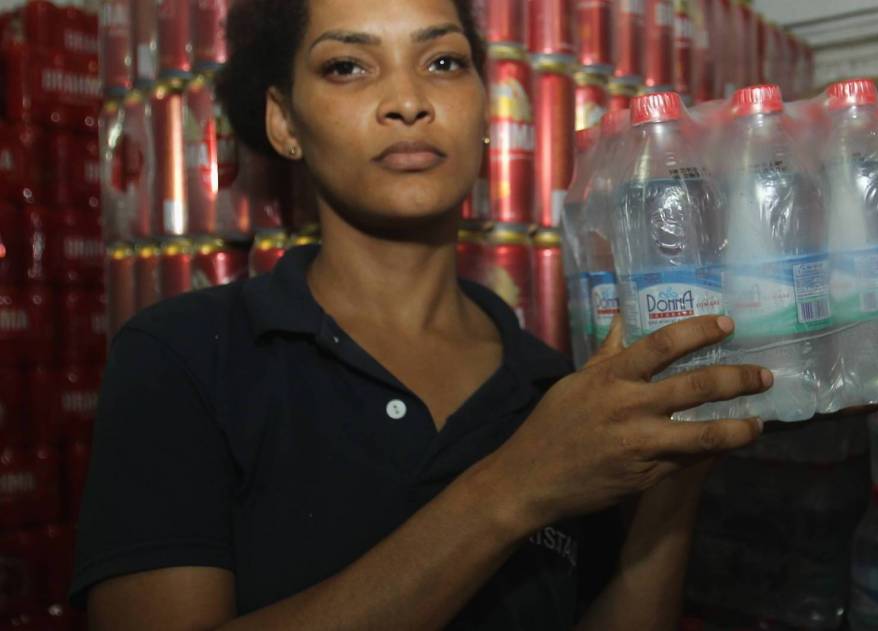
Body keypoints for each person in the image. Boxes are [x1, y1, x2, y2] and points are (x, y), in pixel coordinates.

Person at [70, 0, 775, 628]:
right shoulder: (182, 357)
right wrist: (515, 486)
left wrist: (676, 484)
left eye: (442, 61)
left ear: (484, 109)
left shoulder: (552, 388)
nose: (407, 100)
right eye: (347, 66)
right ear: (284, 121)